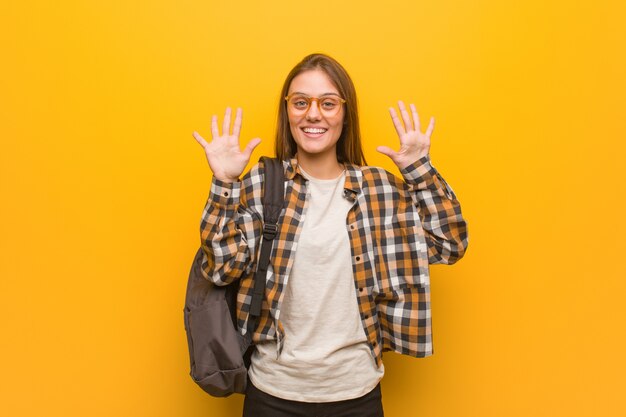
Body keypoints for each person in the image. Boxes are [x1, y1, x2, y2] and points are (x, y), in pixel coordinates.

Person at [192, 53, 468, 417]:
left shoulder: (379, 190)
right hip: (273, 393)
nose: (313, 114)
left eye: (328, 103)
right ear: (287, 111)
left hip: (357, 393)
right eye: (301, 102)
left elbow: (449, 243)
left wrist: (419, 170)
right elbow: (221, 269)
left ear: (345, 113)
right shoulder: (262, 184)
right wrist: (224, 184)